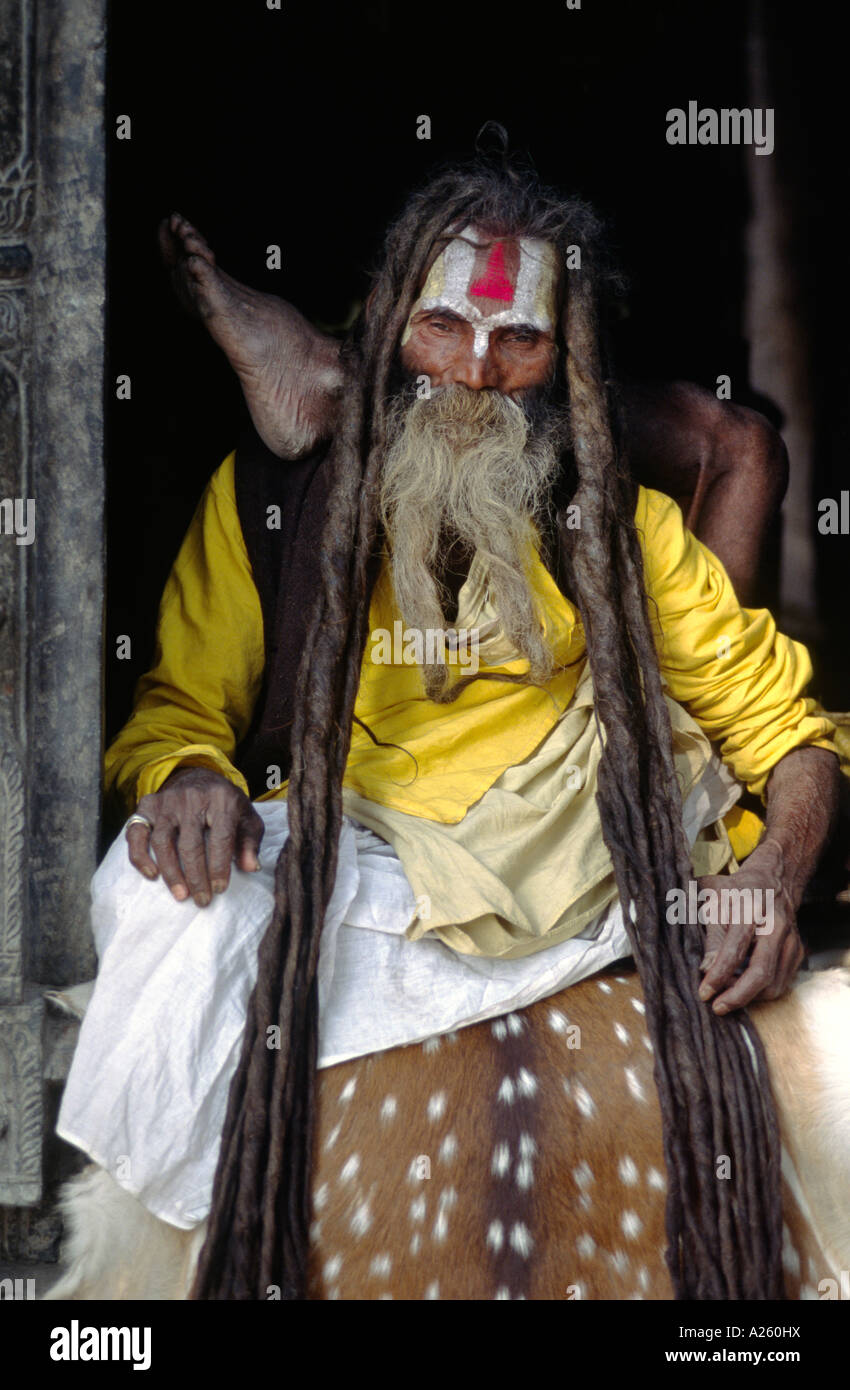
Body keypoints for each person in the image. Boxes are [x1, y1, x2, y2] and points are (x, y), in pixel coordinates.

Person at [57, 155, 841, 1300]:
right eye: (439, 328)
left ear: (560, 361)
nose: (474, 370)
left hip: (584, 865)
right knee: (155, 903)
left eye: (517, 341)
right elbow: (180, 709)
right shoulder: (271, 504)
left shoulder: (620, 518)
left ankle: (320, 369)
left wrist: (774, 871)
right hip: (363, 856)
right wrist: (187, 774)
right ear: (388, 324)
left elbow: (791, 728)